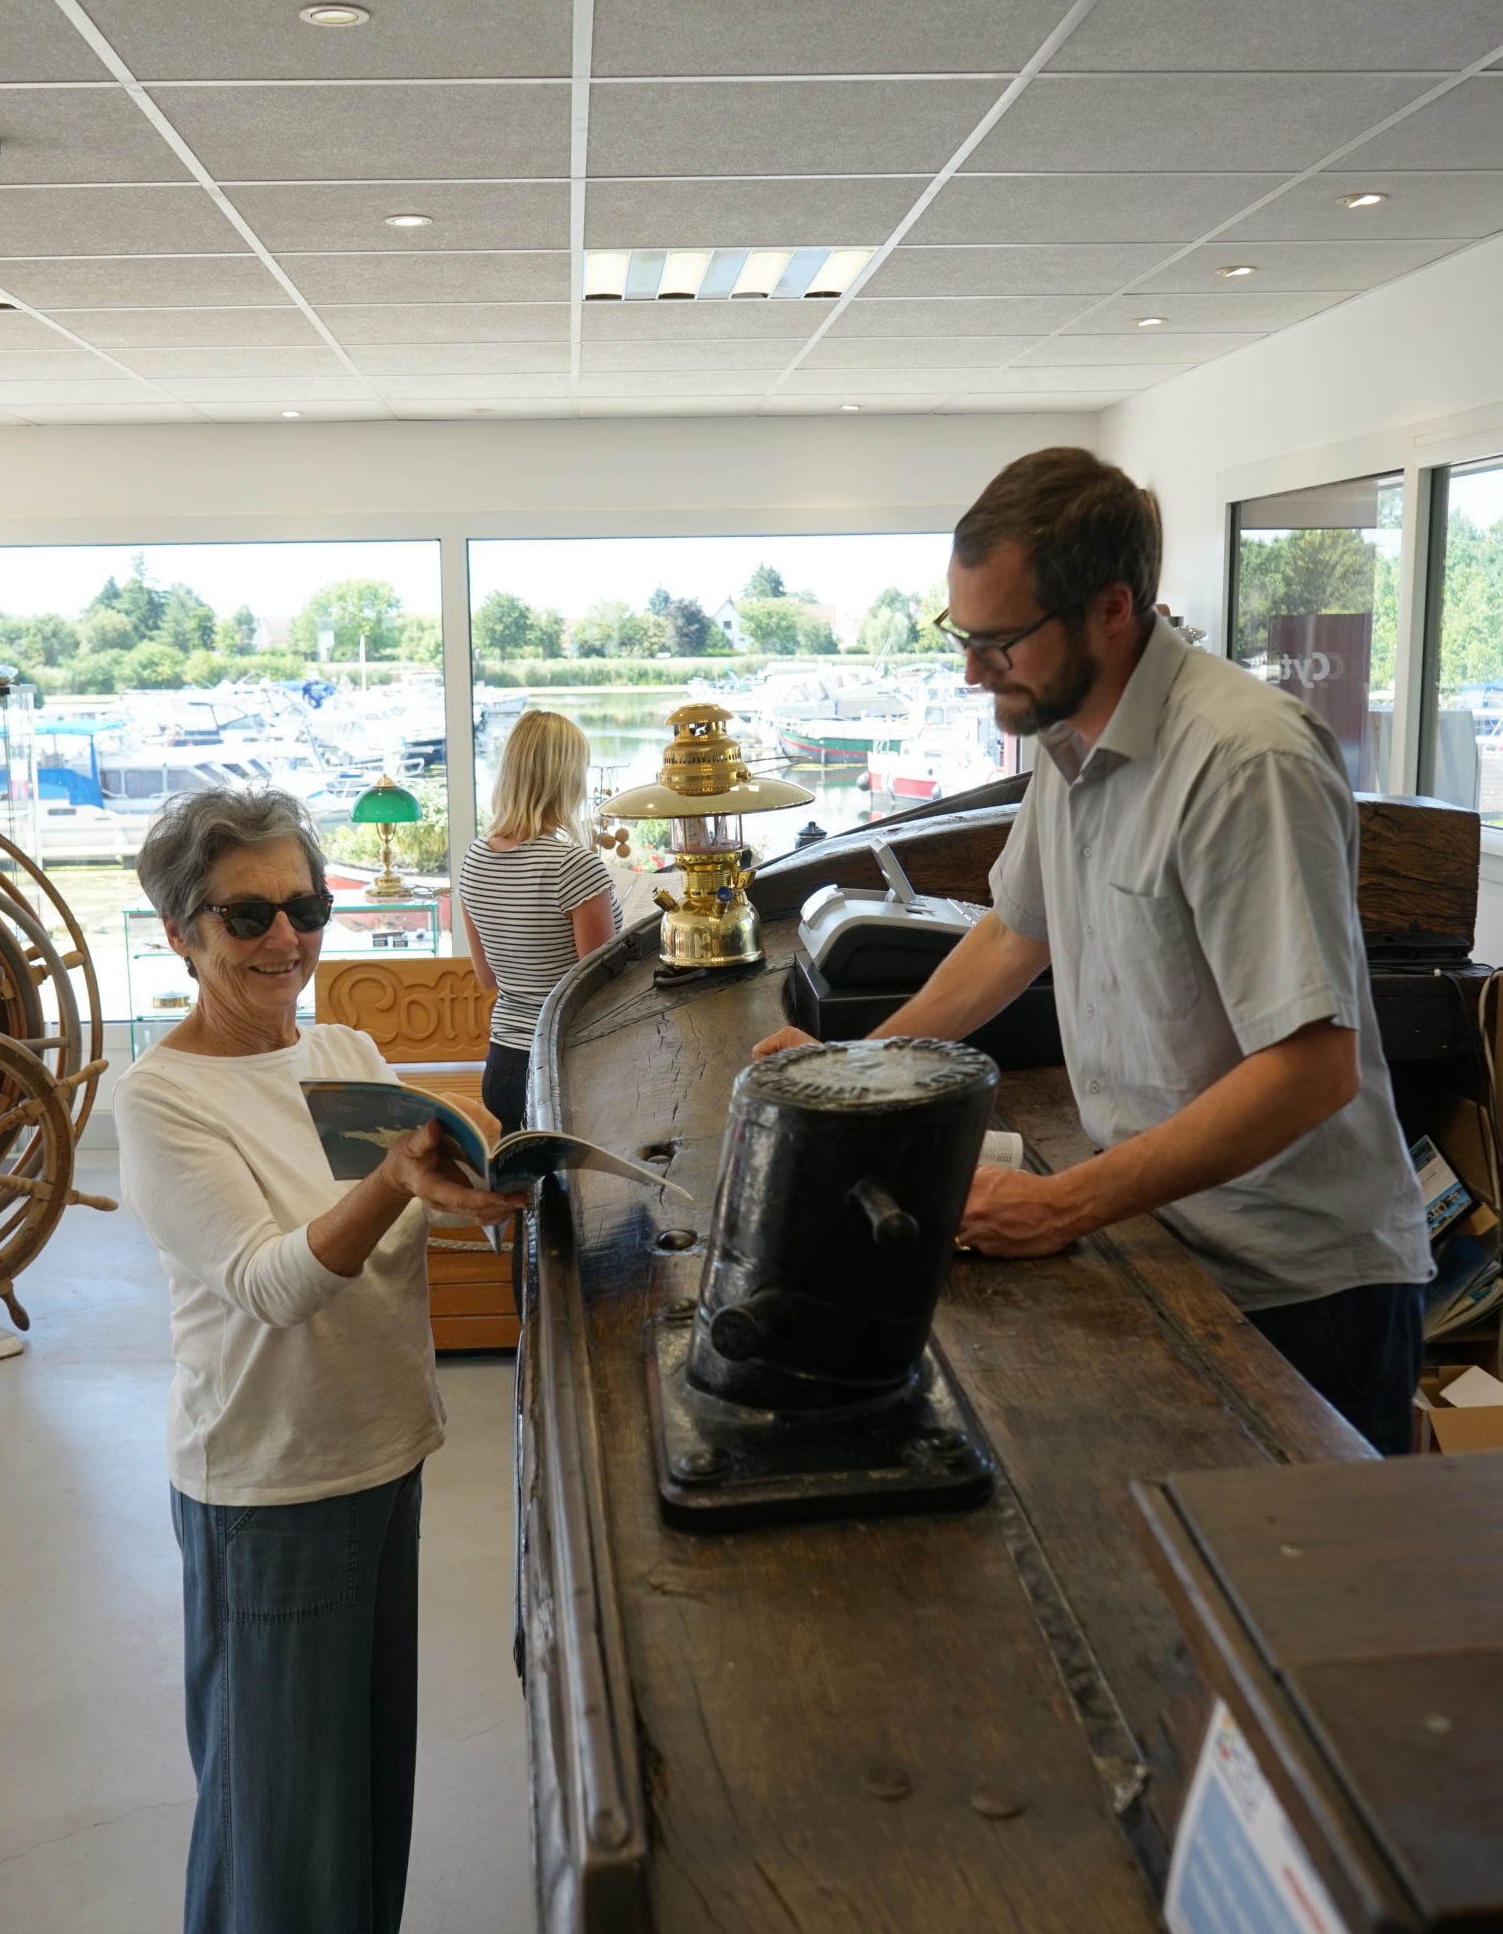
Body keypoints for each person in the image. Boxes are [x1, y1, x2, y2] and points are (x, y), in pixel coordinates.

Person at [756, 447, 1431, 1455]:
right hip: (1166, 1235)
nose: (971, 669)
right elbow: (1013, 934)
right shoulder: (1067, 740)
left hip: (1297, 1291)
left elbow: (1311, 1069)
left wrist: (1062, 1204)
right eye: (963, 633)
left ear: (1114, 609)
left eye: (1001, 641)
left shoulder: (1246, 760)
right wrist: (856, 1069)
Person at [115, 787, 521, 1934]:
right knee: (272, 1796)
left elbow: (396, 1247)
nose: (285, 935)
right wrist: (399, 1184)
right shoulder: (157, 1094)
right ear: (182, 933)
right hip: (263, 1481)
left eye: (305, 907)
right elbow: (272, 1284)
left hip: (377, 1446)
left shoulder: (343, 1048)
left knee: (357, 1768)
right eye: (248, 914)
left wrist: (476, 1189)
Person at [459, 709, 621, 1135]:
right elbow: (597, 992)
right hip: (562, 1065)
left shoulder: (474, 859)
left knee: (523, 1198)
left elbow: (486, 977)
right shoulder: (575, 867)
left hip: (503, 1065)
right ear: (567, 779)